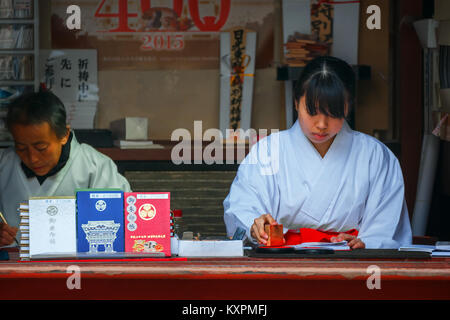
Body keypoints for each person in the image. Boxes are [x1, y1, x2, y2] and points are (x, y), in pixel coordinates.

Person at [223, 56, 412, 249]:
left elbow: (384, 229)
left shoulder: (376, 156)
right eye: (312, 111)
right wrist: (255, 225)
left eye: (333, 113)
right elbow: (242, 207)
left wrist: (365, 243)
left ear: (348, 107)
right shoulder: (267, 151)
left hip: (352, 264)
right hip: (280, 260)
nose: (321, 125)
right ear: (296, 103)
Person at [0, 91, 131, 246]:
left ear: (64, 134)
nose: (33, 158)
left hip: (82, 265)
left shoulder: (96, 167)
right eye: (21, 148)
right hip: (12, 266)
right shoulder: (4, 164)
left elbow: (126, 224)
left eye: (41, 148)